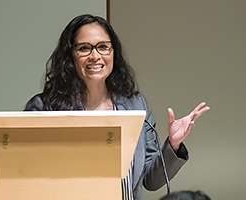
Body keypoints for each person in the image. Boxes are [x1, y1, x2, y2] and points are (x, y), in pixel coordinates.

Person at [24, 14, 210, 200]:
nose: (95, 56)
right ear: (70, 55)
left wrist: (174, 145)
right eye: (84, 48)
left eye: (103, 47)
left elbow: (151, 181)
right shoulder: (44, 107)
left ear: (114, 52)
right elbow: (28, 173)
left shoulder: (136, 105)